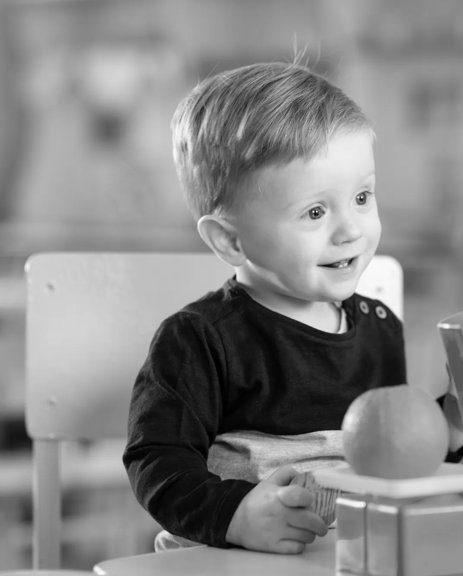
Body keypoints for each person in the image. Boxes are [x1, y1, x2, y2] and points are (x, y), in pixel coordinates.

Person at [122, 60, 408, 555]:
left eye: (362, 196)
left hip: (343, 559)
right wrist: (235, 517)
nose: (351, 230)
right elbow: (156, 461)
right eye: (315, 212)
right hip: (225, 557)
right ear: (230, 240)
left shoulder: (381, 328)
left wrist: (457, 426)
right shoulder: (198, 339)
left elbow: (399, 452)